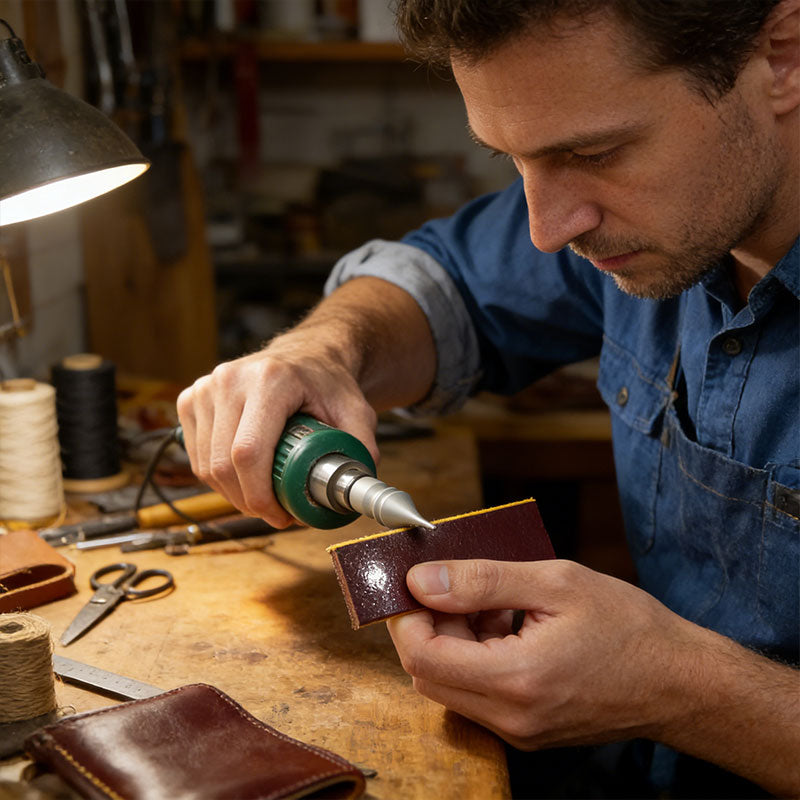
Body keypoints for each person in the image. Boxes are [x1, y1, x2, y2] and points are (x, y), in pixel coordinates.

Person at [177, 0, 800, 796]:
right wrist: (324, 350)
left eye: (595, 152)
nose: (549, 229)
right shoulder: (634, 210)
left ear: (781, 54)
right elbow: (448, 282)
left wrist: (683, 691)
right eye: (514, 160)